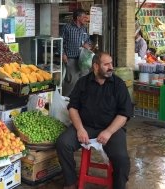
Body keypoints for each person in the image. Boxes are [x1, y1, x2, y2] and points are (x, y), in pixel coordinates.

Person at [56, 52, 133, 189]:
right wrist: (80, 128)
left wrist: (108, 132)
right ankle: (70, 181)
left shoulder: (118, 85)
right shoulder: (83, 83)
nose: (111, 67)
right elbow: (73, 107)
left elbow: (125, 114)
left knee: (121, 159)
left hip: (112, 129)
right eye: (106, 64)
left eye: (111, 63)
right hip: (86, 126)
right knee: (63, 143)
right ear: (96, 66)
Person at [61, 8, 92, 97]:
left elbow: (88, 40)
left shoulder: (84, 29)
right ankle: (64, 99)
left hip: (83, 59)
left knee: (84, 80)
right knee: (71, 81)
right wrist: (63, 54)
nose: (86, 19)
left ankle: (79, 100)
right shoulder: (67, 27)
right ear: (78, 17)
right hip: (71, 59)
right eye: (84, 17)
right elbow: (60, 42)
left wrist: (88, 44)